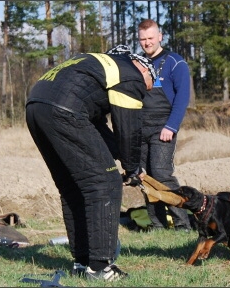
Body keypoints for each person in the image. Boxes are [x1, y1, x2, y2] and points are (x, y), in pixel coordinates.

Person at [26, 48, 156, 281]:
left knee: (74, 186)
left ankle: (82, 262)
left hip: (36, 106)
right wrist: (132, 167)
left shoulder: (97, 66)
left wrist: (119, 156)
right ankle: (100, 267)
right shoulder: (130, 74)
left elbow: (96, 126)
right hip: (64, 110)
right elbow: (128, 128)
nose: (146, 91)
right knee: (106, 183)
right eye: (149, 85)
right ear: (144, 69)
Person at [137, 19, 192, 232]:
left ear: (160, 36)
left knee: (161, 173)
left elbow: (182, 98)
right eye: (143, 39)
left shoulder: (175, 62)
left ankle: (182, 222)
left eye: (150, 38)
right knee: (144, 175)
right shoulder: (137, 63)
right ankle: (157, 223)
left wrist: (171, 126)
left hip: (163, 126)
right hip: (141, 127)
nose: (147, 43)